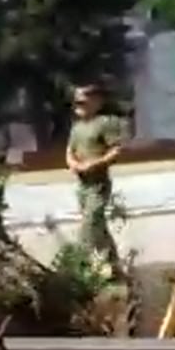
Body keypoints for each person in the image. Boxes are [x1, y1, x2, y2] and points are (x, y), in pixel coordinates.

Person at [65, 84, 127, 278]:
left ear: (97, 101)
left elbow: (116, 150)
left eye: (84, 101)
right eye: (77, 101)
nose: (79, 105)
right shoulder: (77, 127)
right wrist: (73, 163)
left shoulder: (105, 123)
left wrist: (95, 164)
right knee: (97, 225)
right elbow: (69, 150)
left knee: (89, 225)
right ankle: (114, 265)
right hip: (82, 184)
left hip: (98, 183)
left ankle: (82, 267)